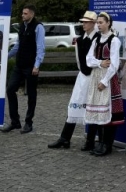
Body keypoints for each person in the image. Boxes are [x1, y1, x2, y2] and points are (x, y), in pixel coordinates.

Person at [48, 10, 98, 150]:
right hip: (83, 76)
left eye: (87, 22)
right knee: (74, 104)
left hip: (94, 76)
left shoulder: (98, 39)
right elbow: (78, 59)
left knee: (92, 108)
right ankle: (65, 138)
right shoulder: (80, 39)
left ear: (93, 24)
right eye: (83, 22)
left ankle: (90, 141)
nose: (84, 24)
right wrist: (83, 72)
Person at [84, 12, 124, 157]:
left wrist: (104, 81)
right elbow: (88, 59)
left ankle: (107, 145)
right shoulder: (96, 39)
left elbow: (114, 64)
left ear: (108, 23)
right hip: (96, 76)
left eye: (101, 22)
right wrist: (100, 62)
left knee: (109, 112)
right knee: (98, 111)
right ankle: (100, 143)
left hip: (108, 79)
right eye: (98, 22)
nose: (99, 25)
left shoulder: (114, 40)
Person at [2, 4, 45, 134]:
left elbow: (41, 48)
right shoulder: (22, 26)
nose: (22, 15)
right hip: (19, 65)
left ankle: (28, 122)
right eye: (22, 13)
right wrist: (6, 57)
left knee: (31, 95)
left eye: (25, 13)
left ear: (32, 14)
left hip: (31, 66)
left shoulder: (38, 27)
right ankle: (15, 121)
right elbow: (17, 45)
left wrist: (37, 65)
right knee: (10, 89)